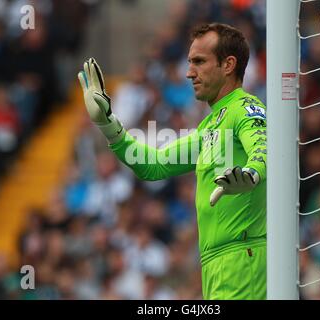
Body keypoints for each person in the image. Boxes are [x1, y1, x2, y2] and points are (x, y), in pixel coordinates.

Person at [78, 23, 267, 300]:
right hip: (218, 262)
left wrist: (252, 173)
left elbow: (263, 149)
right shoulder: (210, 127)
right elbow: (153, 164)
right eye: (190, 62)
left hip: (242, 258)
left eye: (199, 62)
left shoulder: (245, 109)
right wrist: (107, 124)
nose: (189, 72)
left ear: (228, 65)